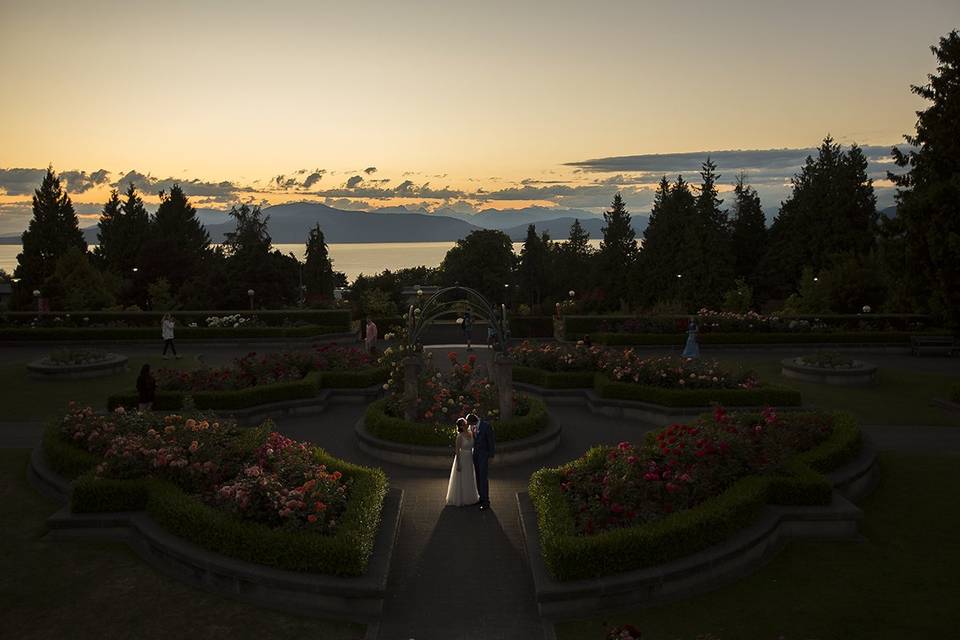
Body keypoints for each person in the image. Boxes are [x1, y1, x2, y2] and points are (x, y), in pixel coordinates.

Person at [445, 418, 479, 507]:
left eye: (466, 423)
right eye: (464, 424)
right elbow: (457, 450)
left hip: (470, 457)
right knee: (463, 477)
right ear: (461, 426)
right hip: (463, 458)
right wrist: (458, 463)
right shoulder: (459, 436)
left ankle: (471, 497)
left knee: (470, 476)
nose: (466, 424)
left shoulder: (471, 433)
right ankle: (463, 498)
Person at [468, 412, 495, 510]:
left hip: (483, 455)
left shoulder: (486, 426)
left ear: (474, 421)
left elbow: (491, 441)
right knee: (478, 477)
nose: (470, 426)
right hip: (475, 455)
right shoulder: (472, 427)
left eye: (470, 424)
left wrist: (491, 456)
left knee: (483, 477)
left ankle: (486, 501)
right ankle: (481, 497)